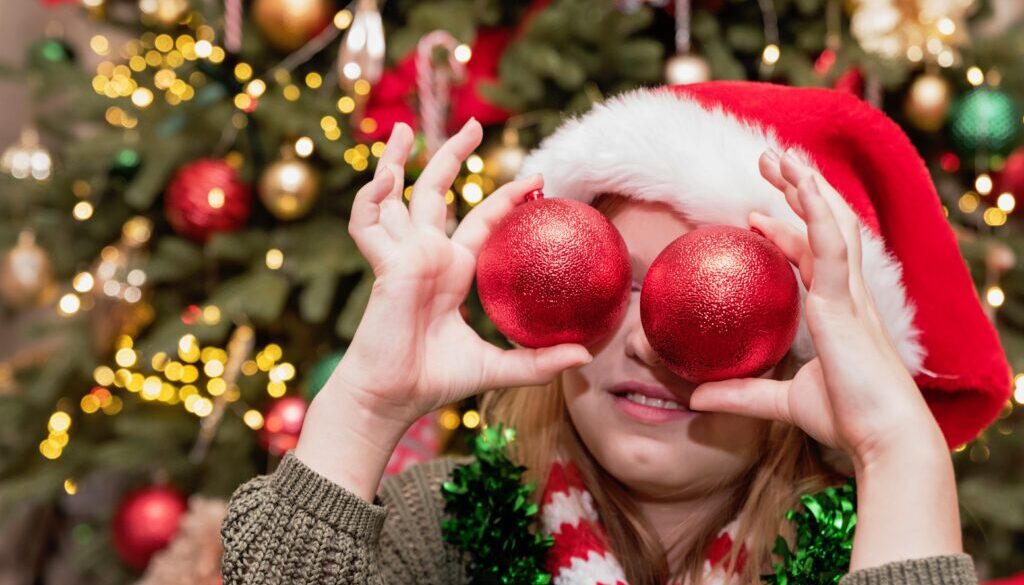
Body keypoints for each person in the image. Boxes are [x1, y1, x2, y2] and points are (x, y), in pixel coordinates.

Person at [220, 81, 1010, 585]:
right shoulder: (442, 529)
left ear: (803, 346)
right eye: (612, 284)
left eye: (713, 301)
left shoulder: (868, 550)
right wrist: (363, 406)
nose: (645, 341)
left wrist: (896, 447)